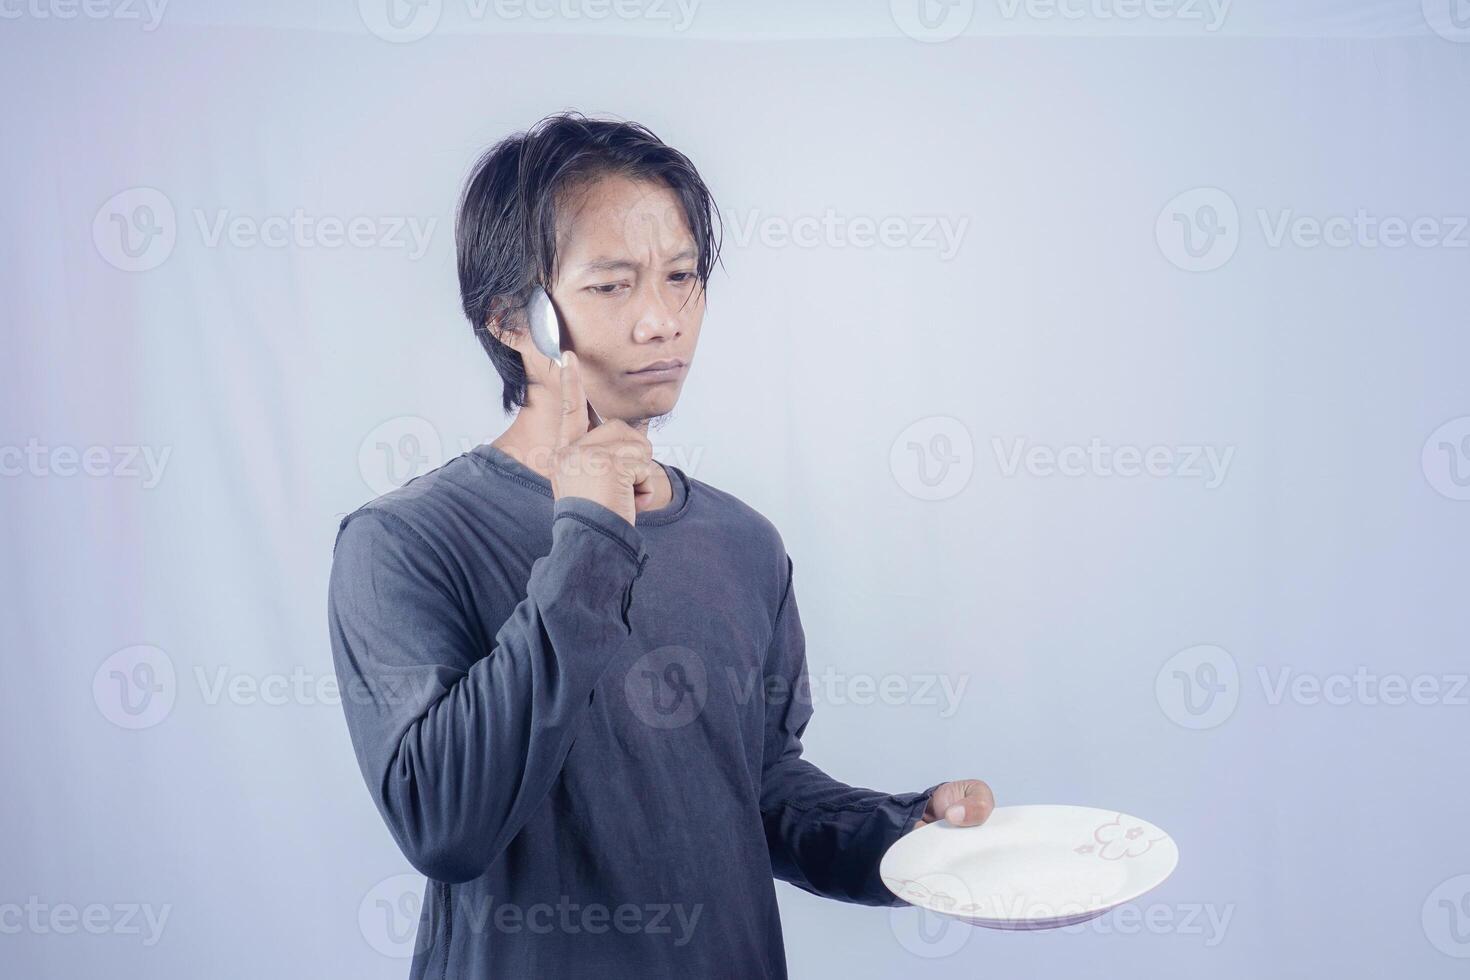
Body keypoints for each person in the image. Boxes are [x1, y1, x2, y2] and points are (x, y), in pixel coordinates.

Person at [327, 111, 995, 979]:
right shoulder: (405, 542)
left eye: (681, 277)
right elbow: (446, 825)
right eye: (611, 286)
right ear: (508, 315)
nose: (661, 321)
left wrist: (906, 838)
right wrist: (590, 538)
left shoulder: (743, 542)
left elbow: (757, 790)